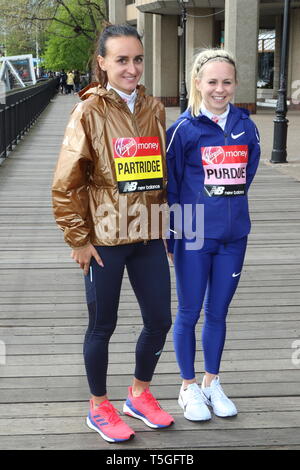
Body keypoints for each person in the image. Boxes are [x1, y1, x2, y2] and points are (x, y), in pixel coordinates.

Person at [52, 24, 174, 443]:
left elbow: (158, 176)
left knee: (160, 320)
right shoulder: (87, 111)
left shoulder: (154, 108)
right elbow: (65, 184)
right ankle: (98, 405)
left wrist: (164, 228)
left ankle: (139, 394)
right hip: (104, 239)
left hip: (147, 235)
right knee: (102, 325)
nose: (132, 68)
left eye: (137, 59)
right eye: (121, 59)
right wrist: (78, 239)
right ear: (102, 63)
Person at [166, 49, 260, 422]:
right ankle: (188, 386)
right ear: (198, 84)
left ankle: (211, 382)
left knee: (218, 312)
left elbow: (247, 174)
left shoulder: (247, 125)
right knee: (189, 312)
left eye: (226, 82)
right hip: (192, 233)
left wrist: (227, 211)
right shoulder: (182, 130)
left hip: (233, 236)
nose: (219, 89)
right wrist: (173, 236)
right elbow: (170, 186)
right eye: (212, 82)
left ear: (235, 84)